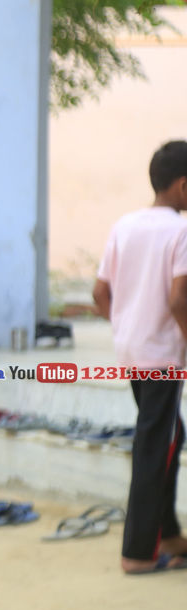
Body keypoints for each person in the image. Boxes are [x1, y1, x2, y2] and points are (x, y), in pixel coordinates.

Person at [93, 140, 187, 576]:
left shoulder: (124, 225)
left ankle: (168, 535)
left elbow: (100, 293)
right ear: (183, 187)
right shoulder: (179, 231)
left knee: (170, 435)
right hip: (163, 357)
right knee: (156, 445)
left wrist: (126, 324)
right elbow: (179, 298)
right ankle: (138, 553)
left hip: (132, 352)